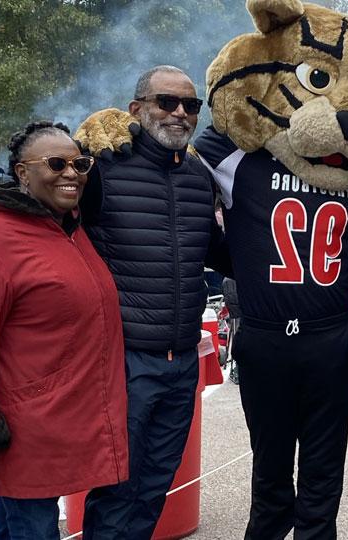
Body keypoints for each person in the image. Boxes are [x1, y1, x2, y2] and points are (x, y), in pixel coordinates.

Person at [0, 121, 129, 538]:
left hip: (66, 423)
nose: (71, 173)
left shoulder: (69, 230)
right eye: (56, 163)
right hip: (24, 430)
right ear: (22, 173)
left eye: (79, 163)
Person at [76, 65, 228, 539]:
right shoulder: (103, 164)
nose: (180, 113)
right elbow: (37, 188)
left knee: (154, 487)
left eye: (190, 105)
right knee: (116, 486)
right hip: (125, 360)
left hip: (181, 360)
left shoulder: (200, 173)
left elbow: (223, 254)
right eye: (167, 102)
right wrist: (81, 145)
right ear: (136, 109)